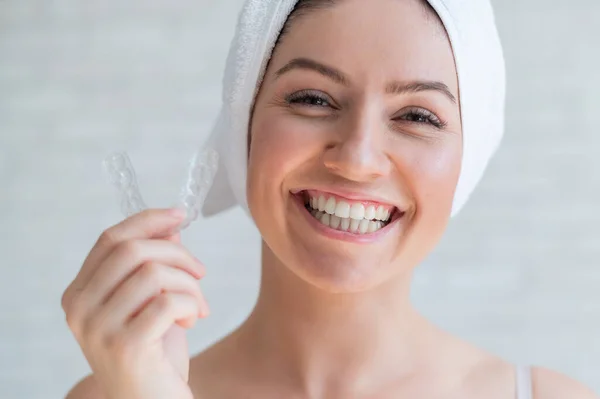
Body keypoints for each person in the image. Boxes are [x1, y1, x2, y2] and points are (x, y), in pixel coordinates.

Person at [62, 0, 599, 398]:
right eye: (313, 99)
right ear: (241, 126)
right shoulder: (119, 390)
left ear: (469, 158)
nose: (358, 158)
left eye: (417, 116)